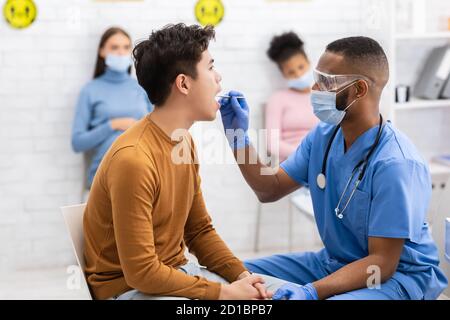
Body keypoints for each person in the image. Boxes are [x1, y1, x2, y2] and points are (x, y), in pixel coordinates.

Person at [219, 36, 448, 300]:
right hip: (334, 262)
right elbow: (268, 189)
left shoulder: (396, 163)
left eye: (326, 81)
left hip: (396, 276)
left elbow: (382, 263)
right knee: (237, 276)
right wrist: (237, 134)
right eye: (317, 77)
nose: (315, 88)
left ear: (359, 89)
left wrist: (312, 292)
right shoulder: (325, 136)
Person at [83, 23, 289, 300]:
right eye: (210, 67)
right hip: (127, 290)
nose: (218, 78)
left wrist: (242, 277)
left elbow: (199, 231)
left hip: (176, 273)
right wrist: (222, 293)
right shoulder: (133, 159)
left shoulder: (182, 142)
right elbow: (141, 272)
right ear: (183, 83)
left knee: (284, 295)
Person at [71, 27, 153, 190]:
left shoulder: (142, 88)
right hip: (103, 178)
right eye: (114, 47)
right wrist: (113, 125)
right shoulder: (90, 90)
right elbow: (77, 142)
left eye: (125, 47)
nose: (121, 53)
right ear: (102, 51)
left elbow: (157, 129)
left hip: (145, 173)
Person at [265, 32, 318, 161]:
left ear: (308, 62)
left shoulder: (324, 96)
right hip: (292, 165)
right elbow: (272, 144)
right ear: (283, 74)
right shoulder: (277, 99)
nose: (299, 74)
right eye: (291, 72)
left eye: (301, 67)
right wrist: (305, 155)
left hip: (321, 163)